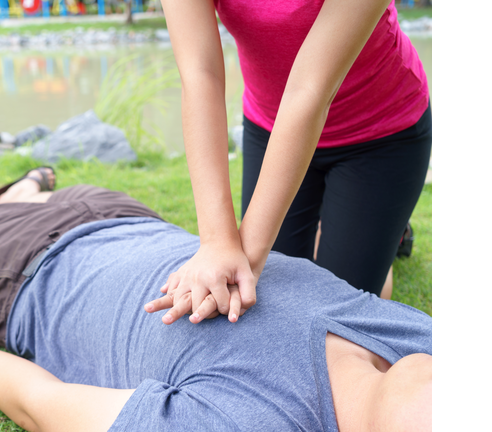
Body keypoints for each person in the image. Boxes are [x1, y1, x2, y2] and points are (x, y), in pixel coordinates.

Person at [0, 168, 432, 431]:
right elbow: (360, 286)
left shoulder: (254, 422)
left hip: (22, 272)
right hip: (127, 220)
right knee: (31, 201)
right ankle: (24, 190)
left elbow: (45, 406)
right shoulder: (420, 343)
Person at [159, 0, 432, 322]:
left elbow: (310, 89)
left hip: (377, 131)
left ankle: (387, 238)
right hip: (271, 127)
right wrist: (217, 242)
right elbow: (200, 73)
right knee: (268, 294)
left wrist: (245, 263)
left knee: (336, 304)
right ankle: (340, 226)